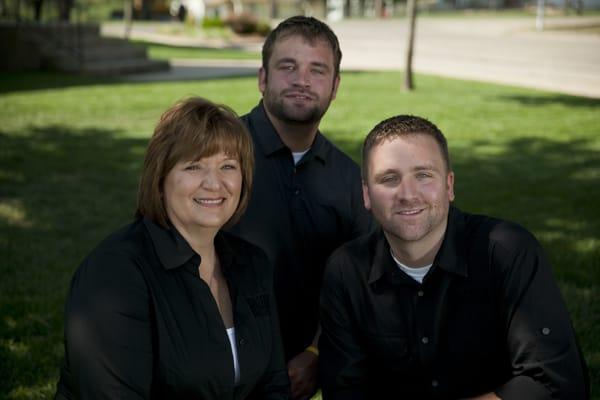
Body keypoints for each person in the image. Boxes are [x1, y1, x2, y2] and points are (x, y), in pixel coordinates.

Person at [319, 115, 589, 399]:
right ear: (366, 195)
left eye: (423, 175)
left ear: (449, 186)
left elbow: (555, 381)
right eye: (389, 179)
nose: (408, 194)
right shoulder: (346, 271)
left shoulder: (508, 252)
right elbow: (344, 391)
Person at [54, 97, 290, 399]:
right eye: (194, 167)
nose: (214, 184)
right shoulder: (114, 275)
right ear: (161, 177)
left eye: (228, 166)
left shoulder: (252, 263)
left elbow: (274, 385)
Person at [227, 16, 373, 399]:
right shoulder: (219, 155)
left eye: (317, 70)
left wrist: (316, 354)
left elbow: (362, 283)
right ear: (263, 78)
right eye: (287, 67)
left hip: (300, 374)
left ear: (335, 86)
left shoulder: (350, 181)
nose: (301, 80)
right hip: (212, 368)